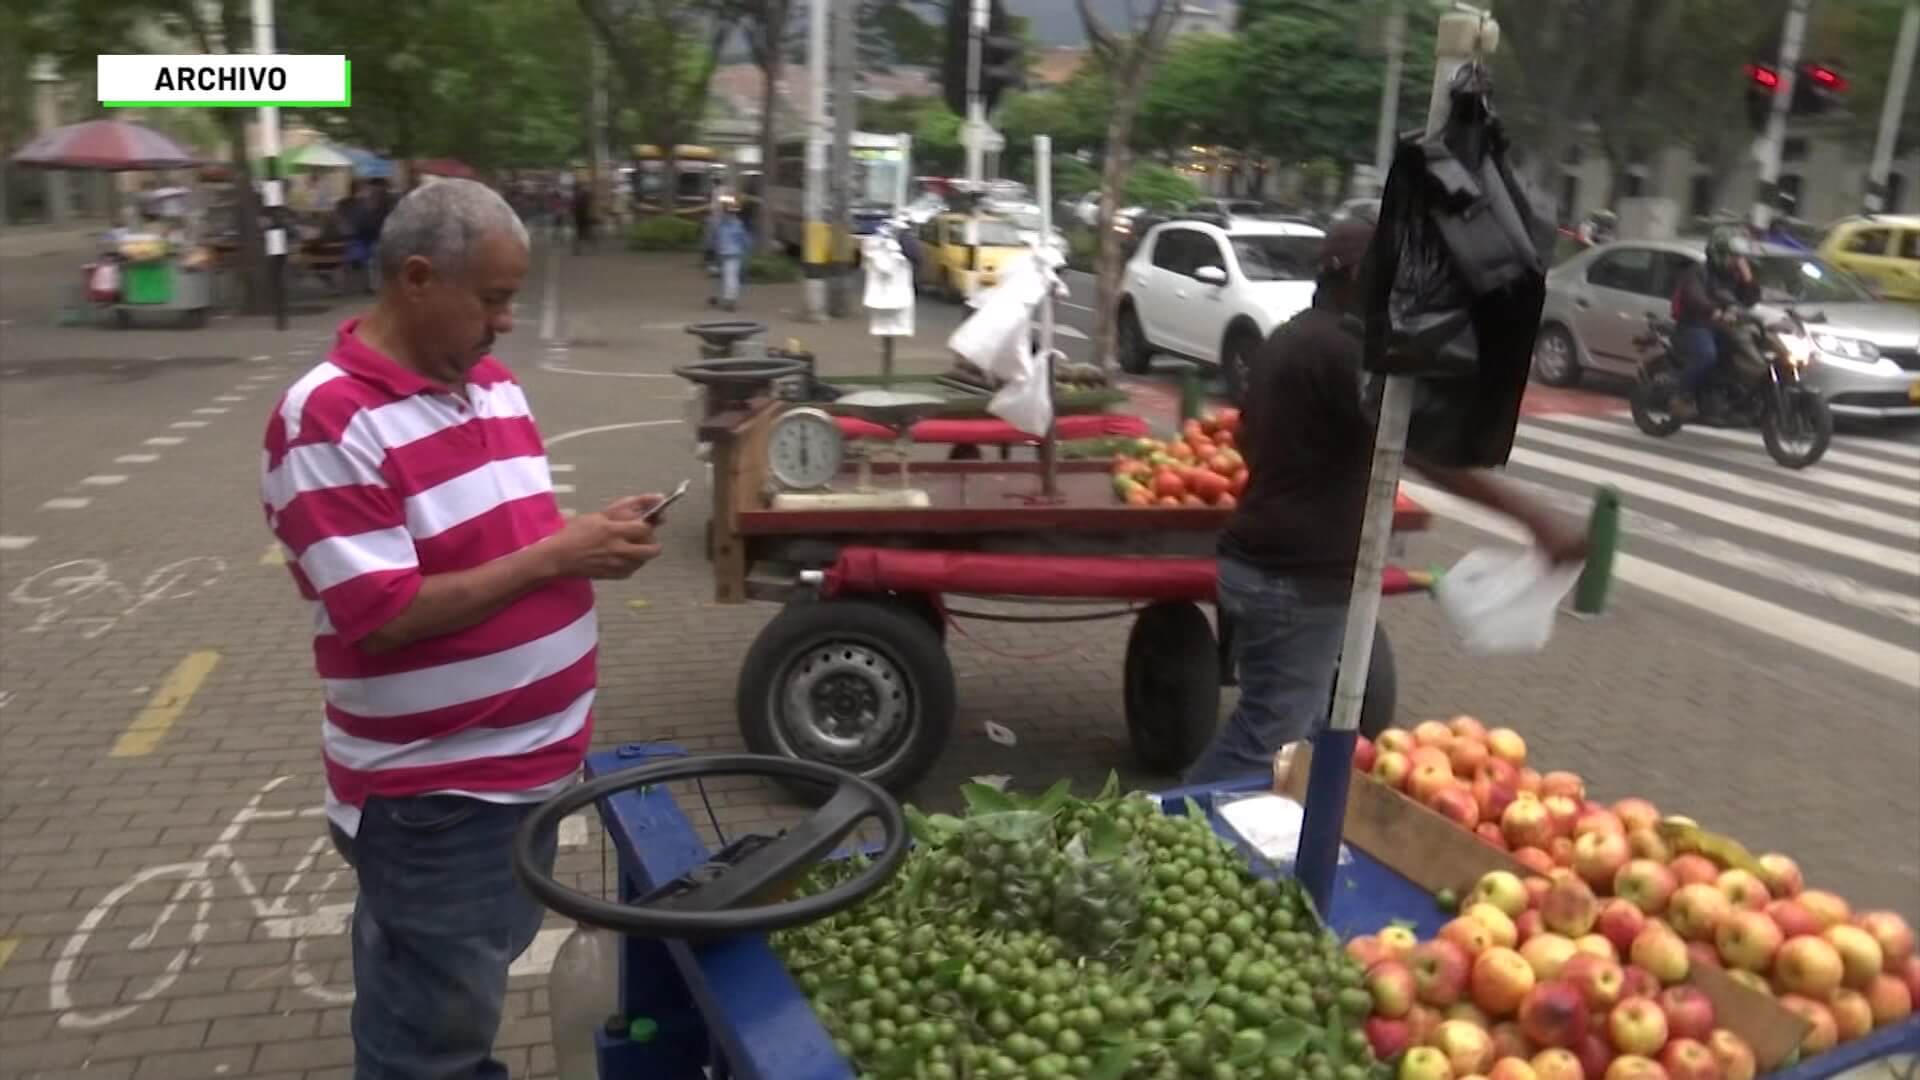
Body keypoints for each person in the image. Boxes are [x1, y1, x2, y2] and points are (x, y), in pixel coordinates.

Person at [260, 178, 665, 1079]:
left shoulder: (491, 384)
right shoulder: (326, 418)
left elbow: (507, 544)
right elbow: (385, 615)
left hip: (526, 772)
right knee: (429, 1049)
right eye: (492, 298)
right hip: (440, 799)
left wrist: (583, 539)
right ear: (415, 279)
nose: (507, 321)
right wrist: (562, 558)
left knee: (457, 1015)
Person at [1184, 220, 1589, 785]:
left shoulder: (1290, 337)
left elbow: (1250, 439)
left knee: (1293, 727)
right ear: (1354, 277)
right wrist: (1535, 519)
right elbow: (1421, 450)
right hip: (1293, 578)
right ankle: (1161, 831)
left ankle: (1265, 839)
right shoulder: (1344, 352)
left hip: (1263, 562)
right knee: (1267, 737)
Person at [1669, 226, 1760, 419]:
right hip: (1694, 325)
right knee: (1706, 356)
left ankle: (1726, 398)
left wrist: (1748, 277)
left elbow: (1749, 300)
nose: (1737, 261)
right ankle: (1680, 395)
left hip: (1721, 328)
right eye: (1733, 256)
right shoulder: (1698, 272)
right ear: (1719, 253)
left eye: (1739, 257)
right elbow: (1694, 297)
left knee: (1741, 356)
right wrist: (1714, 311)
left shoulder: (1732, 276)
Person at [710, 200, 750, 311]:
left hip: (730, 254)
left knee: (729, 277)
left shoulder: (726, 225)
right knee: (728, 277)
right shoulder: (733, 224)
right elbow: (744, 240)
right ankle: (727, 299)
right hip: (729, 254)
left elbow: (716, 239)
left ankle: (729, 300)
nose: (728, 214)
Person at [571, 183, 594, 255]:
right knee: (583, 233)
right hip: (582, 217)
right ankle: (579, 248)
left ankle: (577, 249)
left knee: (580, 234)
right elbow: (586, 206)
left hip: (579, 217)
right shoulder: (582, 196)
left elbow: (573, 208)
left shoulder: (576, 196)